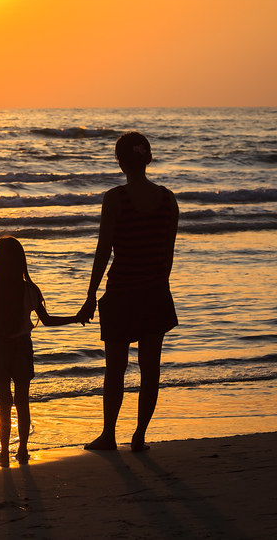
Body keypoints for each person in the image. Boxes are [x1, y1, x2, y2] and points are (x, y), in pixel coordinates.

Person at [77, 131, 179, 452]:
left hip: (121, 292)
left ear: (120, 161)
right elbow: (168, 255)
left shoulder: (115, 198)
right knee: (150, 369)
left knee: (115, 369)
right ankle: (139, 436)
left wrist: (91, 295)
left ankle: (109, 435)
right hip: (155, 293)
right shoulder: (167, 199)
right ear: (147, 159)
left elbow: (103, 250)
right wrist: (157, 285)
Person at [0, 236, 78, 466]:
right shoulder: (29, 289)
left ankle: (3, 452)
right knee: (22, 400)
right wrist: (75, 317)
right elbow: (47, 321)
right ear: (21, 262)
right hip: (22, 347)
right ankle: (22, 449)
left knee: (4, 403)